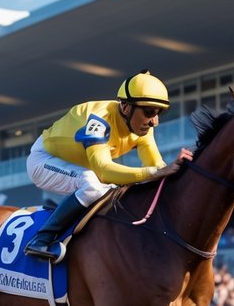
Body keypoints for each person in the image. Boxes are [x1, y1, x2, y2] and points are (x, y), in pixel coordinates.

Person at [24, 70, 193, 262]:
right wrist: (156, 172)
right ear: (126, 107)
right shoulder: (98, 119)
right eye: (149, 112)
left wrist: (181, 171)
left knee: (109, 188)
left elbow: (156, 166)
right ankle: (41, 239)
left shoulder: (143, 128)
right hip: (44, 160)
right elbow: (104, 170)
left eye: (159, 113)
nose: (154, 121)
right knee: (93, 185)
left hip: (80, 166)